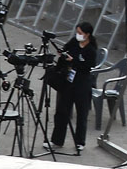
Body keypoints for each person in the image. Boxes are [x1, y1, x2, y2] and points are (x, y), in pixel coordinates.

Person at [48, 20, 97, 153]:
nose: (78, 35)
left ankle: (80, 141)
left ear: (87, 35)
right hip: (69, 81)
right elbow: (65, 49)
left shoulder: (91, 50)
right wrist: (63, 55)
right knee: (62, 111)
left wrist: (73, 61)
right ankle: (57, 140)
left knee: (81, 113)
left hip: (82, 83)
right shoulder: (74, 42)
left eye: (80, 33)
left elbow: (88, 66)